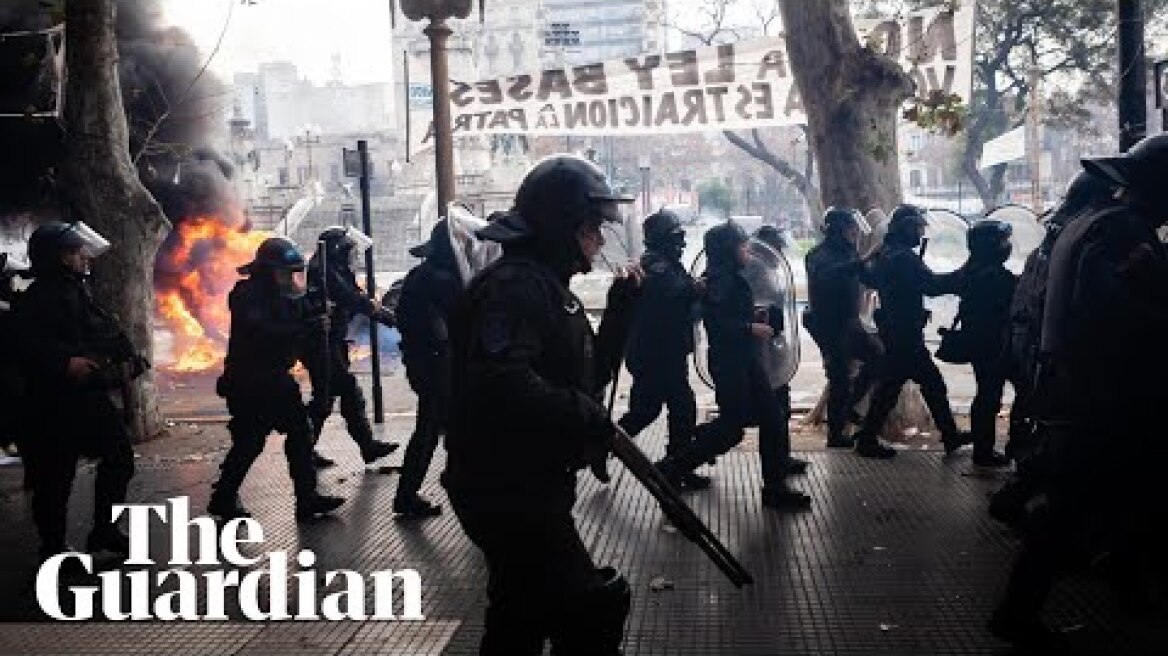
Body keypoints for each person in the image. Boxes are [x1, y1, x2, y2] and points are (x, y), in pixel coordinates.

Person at [443, 154, 640, 655]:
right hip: (507, 489)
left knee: (518, 618)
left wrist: (619, 316)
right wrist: (580, 413)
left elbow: (587, 379)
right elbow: (501, 378)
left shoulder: (549, 290)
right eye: (592, 226)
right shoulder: (515, 287)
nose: (598, 239)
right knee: (589, 610)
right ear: (563, 226)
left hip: (531, 483)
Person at [992, 135, 1168, 648]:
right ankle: (1017, 612)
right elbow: (1106, 311)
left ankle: (1127, 583)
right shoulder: (1120, 233)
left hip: (1085, 387)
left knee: (1125, 492)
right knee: (1080, 499)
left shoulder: (1087, 222)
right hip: (1108, 391)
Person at [655, 222, 811, 511]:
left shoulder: (727, 277)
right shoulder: (720, 279)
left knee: (772, 419)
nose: (747, 251)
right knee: (731, 428)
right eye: (742, 246)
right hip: (731, 362)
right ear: (728, 250)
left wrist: (751, 316)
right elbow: (715, 324)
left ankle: (775, 488)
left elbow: (725, 313)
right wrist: (749, 327)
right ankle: (671, 468)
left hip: (743, 359)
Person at [12, 221, 142, 561]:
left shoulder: (76, 290)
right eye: (73, 251)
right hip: (52, 404)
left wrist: (123, 359)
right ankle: (53, 549)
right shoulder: (39, 298)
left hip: (85, 398)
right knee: (55, 477)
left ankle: (105, 529)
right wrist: (63, 363)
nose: (83, 257)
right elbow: (21, 347)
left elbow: (95, 333)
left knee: (119, 456)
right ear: (56, 258)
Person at [208, 237, 345, 521]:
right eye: (284, 272)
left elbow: (300, 316)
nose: (289, 279)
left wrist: (319, 314)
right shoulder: (246, 295)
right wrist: (305, 325)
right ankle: (304, 498)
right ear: (267, 271)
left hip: (270, 379)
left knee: (263, 439)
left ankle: (225, 497)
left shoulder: (284, 295)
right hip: (253, 380)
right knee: (267, 438)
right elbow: (267, 330)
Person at [850, 204, 967, 459]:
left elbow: (870, 279)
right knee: (928, 384)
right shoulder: (903, 257)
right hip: (905, 334)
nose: (920, 233)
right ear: (905, 229)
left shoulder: (888, 254)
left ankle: (948, 436)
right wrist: (962, 276)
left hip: (896, 331)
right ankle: (948, 435)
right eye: (917, 228)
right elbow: (932, 285)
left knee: (892, 389)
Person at [617, 208, 708, 490]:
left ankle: (676, 465)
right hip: (654, 355)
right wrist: (696, 288)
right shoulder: (655, 266)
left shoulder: (666, 263)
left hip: (666, 352)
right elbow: (674, 293)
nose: (681, 244)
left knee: (678, 408)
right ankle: (603, 445)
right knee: (649, 411)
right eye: (676, 238)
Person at [303, 226, 397, 469]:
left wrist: (379, 310)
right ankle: (365, 447)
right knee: (344, 391)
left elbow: (356, 295)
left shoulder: (335, 269)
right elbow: (351, 298)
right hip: (320, 344)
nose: (351, 256)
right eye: (347, 251)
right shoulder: (323, 271)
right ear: (336, 251)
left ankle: (306, 450)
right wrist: (385, 315)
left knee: (325, 398)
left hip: (333, 341)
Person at [393, 220, 463, 518]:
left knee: (437, 429)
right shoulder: (439, 278)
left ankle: (410, 494)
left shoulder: (422, 274)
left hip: (428, 363)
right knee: (431, 430)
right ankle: (408, 496)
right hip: (437, 365)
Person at [803, 208, 880, 448]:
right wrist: (860, 263)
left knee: (878, 358)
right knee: (839, 379)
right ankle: (835, 435)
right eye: (850, 228)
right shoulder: (817, 255)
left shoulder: (849, 252)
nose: (854, 232)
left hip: (850, 323)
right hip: (829, 325)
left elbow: (867, 278)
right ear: (837, 230)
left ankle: (847, 410)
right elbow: (826, 275)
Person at [951, 220, 1017, 468]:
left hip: (982, 343)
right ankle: (985, 451)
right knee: (990, 396)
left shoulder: (970, 271)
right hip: (993, 344)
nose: (1006, 246)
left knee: (986, 394)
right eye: (1002, 241)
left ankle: (984, 448)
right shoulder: (994, 276)